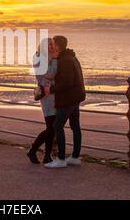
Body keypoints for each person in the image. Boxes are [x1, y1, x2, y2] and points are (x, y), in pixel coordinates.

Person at [44, 36, 86, 168]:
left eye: (53, 44)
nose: (52, 47)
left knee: (57, 126)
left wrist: (50, 89)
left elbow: (67, 82)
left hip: (68, 98)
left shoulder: (65, 60)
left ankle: (61, 159)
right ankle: (74, 157)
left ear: (57, 46)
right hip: (76, 97)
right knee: (75, 126)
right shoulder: (71, 57)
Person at [27, 38, 58, 164]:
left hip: (52, 95)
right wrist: (55, 60)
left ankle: (47, 156)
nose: (51, 46)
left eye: (53, 44)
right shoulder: (40, 58)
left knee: (52, 128)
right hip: (47, 97)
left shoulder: (47, 57)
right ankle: (33, 150)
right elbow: (50, 74)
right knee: (51, 127)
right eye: (49, 44)